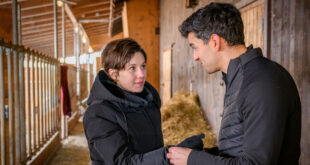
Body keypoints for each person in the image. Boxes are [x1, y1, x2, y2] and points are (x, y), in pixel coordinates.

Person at [167, 2, 301, 165]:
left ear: (215, 41)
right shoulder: (242, 78)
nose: (195, 56)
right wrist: (204, 154)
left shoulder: (261, 82)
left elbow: (256, 163)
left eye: (195, 47)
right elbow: (240, 148)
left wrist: (193, 159)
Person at [83, 38, 201, 165]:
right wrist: (170, 155)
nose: (141, 74)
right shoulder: (99, 114)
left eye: (143, 66)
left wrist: (178, 151)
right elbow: (123, 162)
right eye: (132, 68)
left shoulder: (149, 101)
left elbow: (151, 150)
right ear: (114, 74)